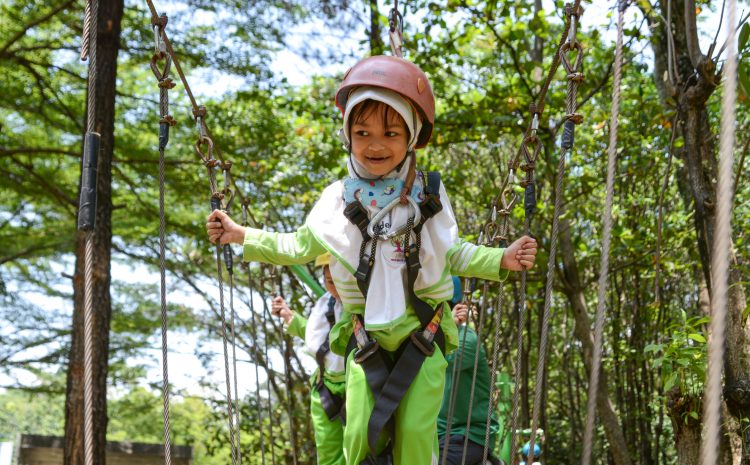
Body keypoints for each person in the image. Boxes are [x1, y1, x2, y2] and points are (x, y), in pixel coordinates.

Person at [206, 55, 538, 465]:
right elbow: (298, 245)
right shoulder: (337, 200)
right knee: (359, 433)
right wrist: (242, 235)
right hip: (365, 336)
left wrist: (500, 259)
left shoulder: (428, 195)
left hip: (424, 331)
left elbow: (453, 251)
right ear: (347, 136)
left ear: (412, 137)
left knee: (417, 432)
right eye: (362, 132)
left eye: (391, 133)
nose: (375, 144)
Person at [271, 253, 346, 465]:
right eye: (329, 281)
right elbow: (318, 337)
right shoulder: (325, 304)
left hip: (357, 384)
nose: (334, 287)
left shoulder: (362, 302)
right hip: (326, 387)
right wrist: (289, 316)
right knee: (328, 452)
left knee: (363, 449)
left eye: (340, 280)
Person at [438, 277, 503, 465]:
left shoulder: (466, 340)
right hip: (437, 433)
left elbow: (431, 362)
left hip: (467, 435)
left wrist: (446, 326)